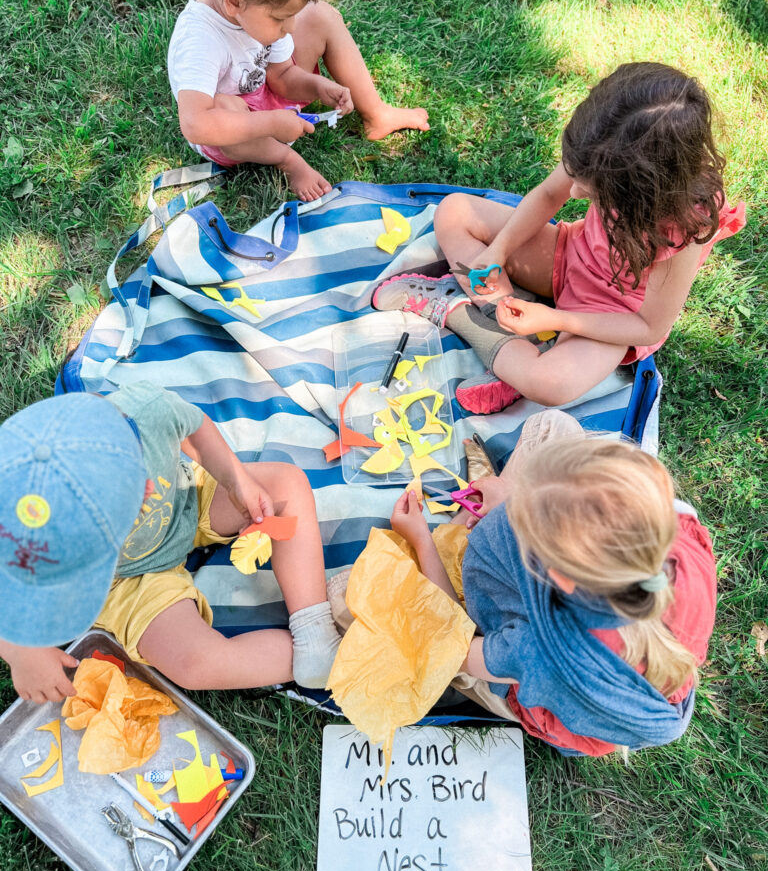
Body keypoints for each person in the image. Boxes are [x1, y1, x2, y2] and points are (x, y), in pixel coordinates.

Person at [373, 62, 745, 413]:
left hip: (613, 315)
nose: (577, 193)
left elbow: (650, 325)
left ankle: (459, 314)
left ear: (644, 188)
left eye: (596, 189)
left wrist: (557, 319)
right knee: (454, 210)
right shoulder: (605, 144)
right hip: (569, 256)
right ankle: (516, 341)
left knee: (551, 383)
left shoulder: (688, 225)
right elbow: (549, 195)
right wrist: (499, 252)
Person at [389, 410, 717, 755]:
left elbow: (452, 646)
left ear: (552, 573)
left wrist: (423, 541)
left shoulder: (539, 652)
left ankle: (454, 535)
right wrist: (513, 501)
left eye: (523, 519)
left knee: (354, 600)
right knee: (554, 426)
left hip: (542, 692)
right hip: (581, 658)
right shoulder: (684, 545)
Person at [0, 382, 341, 703]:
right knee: (195, 664)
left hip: (182, 502)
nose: (146, 494)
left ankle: (314, 624)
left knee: (285, 484)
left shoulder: (147, 410)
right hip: (127, 585)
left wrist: (236, 481)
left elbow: (194, 429)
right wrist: (21, 653)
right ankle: (331, 653)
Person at [168, 0, 430, 202]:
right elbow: (197, 124)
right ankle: (288, 161)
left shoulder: (254, 12)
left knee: (320, 16)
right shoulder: (200, 39)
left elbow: (281, 76)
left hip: (262, 92)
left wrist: (317, 86)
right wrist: (270, 124)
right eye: (281, 18)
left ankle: (377, 114)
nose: (291, 27)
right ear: (234, 3)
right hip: (232, 133)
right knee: (224, 107)